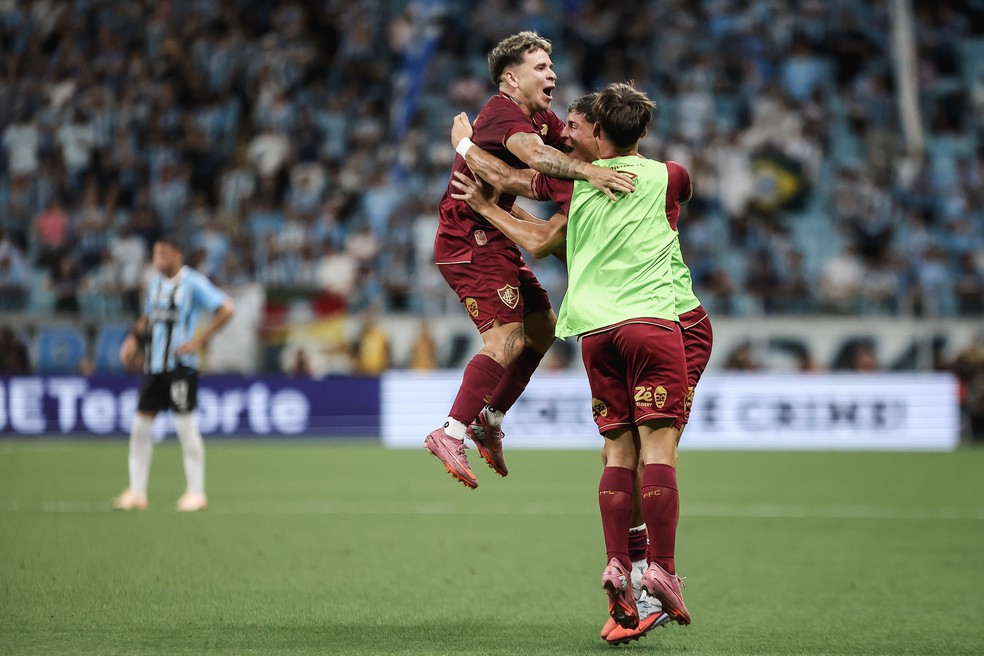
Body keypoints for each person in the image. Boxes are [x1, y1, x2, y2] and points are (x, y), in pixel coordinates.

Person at [451, 84, 702, 640]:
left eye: (575, 126)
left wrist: (471, 160)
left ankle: (624, 565)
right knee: (652, 449)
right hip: (654, 323)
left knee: (624, 450)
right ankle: (654, 571)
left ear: (599, 133)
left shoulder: (573, 190)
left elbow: (531, 202)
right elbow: (549, 226)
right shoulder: (668, 176)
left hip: (608, 329)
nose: (564, 133)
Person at [424, 31, 635, 489]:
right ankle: (450, 432)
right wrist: (590, 172)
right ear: (510, 77)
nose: (552, 74)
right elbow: (538, 159)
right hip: (468, 240)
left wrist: (621, 156)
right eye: (540, 67)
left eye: (551, 66)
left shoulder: (541, 117)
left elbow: (573, 146)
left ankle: (490, 418)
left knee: (543, 327)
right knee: (505, 338)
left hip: (493, 233)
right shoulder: (503, 113)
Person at [112, 236, 235, 512]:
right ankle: (137, 492)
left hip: (181, 367)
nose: (158, 259)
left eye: (164, 254)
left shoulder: (192, 283)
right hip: (154, 366)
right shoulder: (155, 284)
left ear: (178, 255)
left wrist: (200, 340)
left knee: (185, 428)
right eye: (155, 254)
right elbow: (148, 317)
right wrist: (133, 339)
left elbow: (227, 308)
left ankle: (196, 492)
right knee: (140, 428)